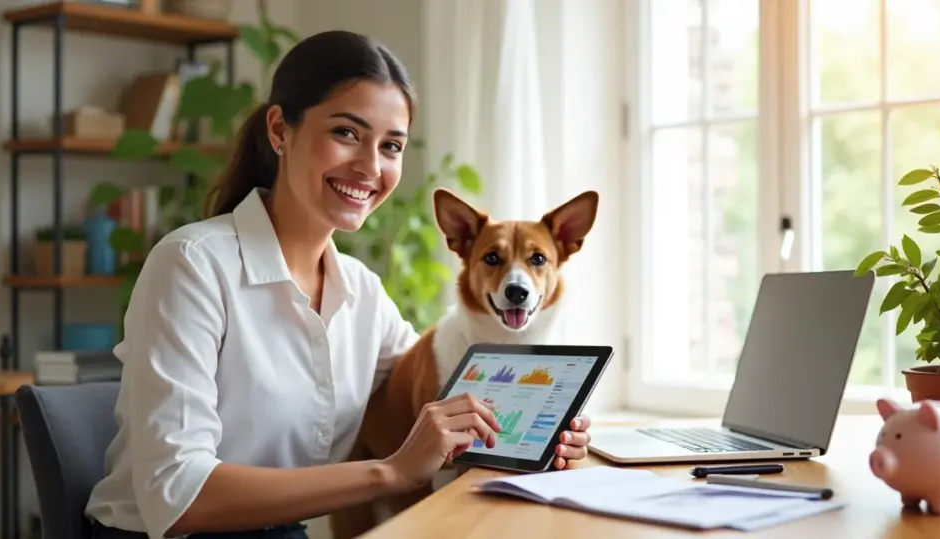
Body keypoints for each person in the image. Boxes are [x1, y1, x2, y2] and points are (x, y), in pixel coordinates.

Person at [85, 30, 593, 539]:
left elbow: (435, 395)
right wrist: (390, 472)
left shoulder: (361, 291)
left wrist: (542, 436)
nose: (370, 166)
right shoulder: (192, 265)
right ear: (280, 130)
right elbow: (176, 494)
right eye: (347, 133)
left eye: (390, 145)